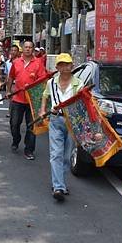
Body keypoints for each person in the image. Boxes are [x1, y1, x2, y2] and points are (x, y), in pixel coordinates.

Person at [39, 53, 82, 202]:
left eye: (67, 64)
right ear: (57, 67)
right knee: (55, 154)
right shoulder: (51, 83)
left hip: (71, 122)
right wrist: (43, 109)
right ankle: (58, 187)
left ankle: (60, 183)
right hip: (56, 120)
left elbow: (82, 104)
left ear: (72, 66)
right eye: (61, 65)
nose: (64, 68)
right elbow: (45, 95)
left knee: (66, 156)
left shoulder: (78, 83)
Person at [5, 40, 47, 160]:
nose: (28, 49)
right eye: (26, 47)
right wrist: (8, 91)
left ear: (33, 49)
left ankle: (29, 150)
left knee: (31, 126)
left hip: (32, 101)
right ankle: (16, 139)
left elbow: (43, 82)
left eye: (30, 47)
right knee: (14, 124)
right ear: (22, 49)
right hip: (17, 98)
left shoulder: (38, 63)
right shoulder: (17, 62)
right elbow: (11, 77)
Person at [4, 45, 20, 118]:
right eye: (12, 50)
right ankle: (11, 112)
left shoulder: (20, 62)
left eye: (15, 50)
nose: (13, 52)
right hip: (11, 84)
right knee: (11, 100)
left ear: (18, 52)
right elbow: (7, 75)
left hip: (18, 84)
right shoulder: (7, 62)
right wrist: (7, 88)